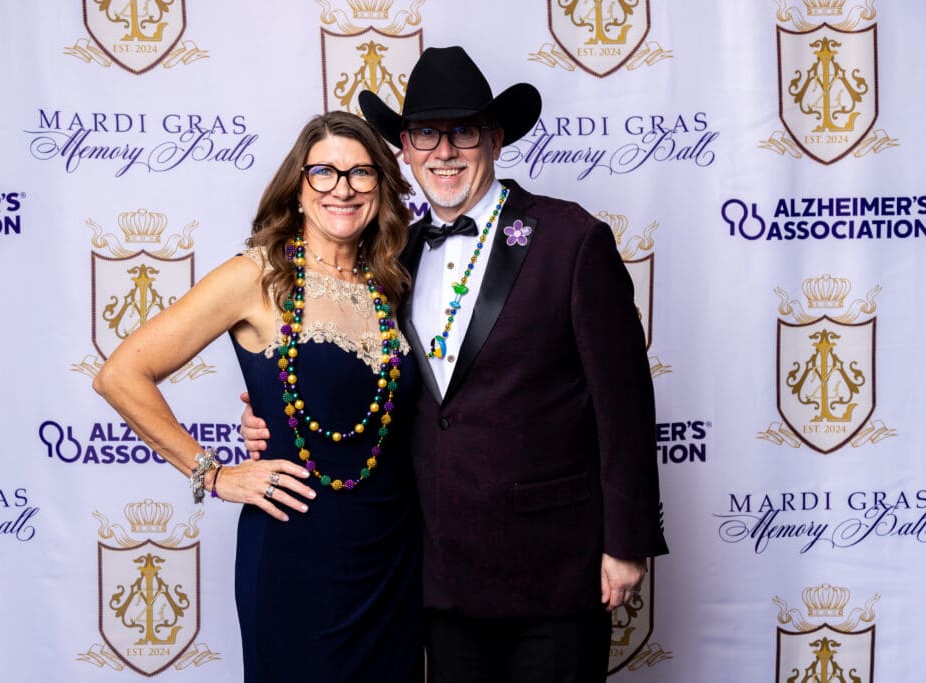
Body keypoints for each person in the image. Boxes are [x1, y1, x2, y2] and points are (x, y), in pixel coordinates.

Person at [242, 46, 668, 682]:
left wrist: (626, 543)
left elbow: (625, 404)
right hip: (436, 576)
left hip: (553, 572)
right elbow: (362, 381)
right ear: (405, 152)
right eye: (424, 134)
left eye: (463, 131)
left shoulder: (569, 240)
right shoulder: (393, 260)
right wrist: (268, 418)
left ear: (494, 138)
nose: (444, 152)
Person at [93, 110, 423, 682]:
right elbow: (121, 374)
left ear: (382, 189)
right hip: (298, 555)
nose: (342, 189)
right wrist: (215, 475)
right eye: (323, 172)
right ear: (296, 188)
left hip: (393, 555)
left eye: (361, 174)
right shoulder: (258, 275)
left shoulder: (392, 278)